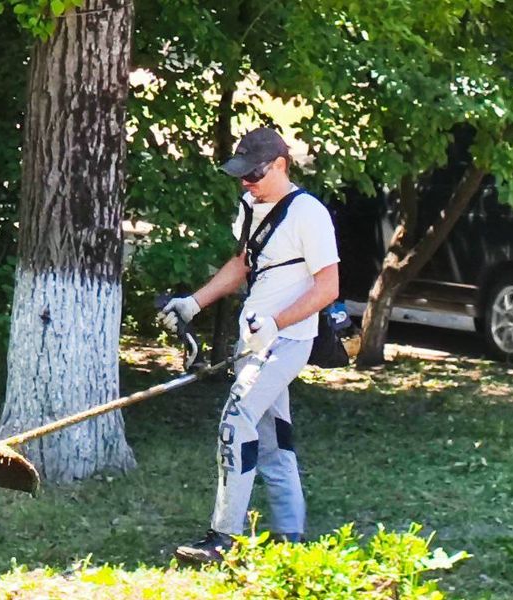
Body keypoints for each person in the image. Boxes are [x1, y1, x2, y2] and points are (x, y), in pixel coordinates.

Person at [158, 127, 340, 564]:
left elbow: (328, 287)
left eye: (254, 175)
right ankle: (291, 537)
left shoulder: (308, 214)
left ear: (281, 165)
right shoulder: (249, 207)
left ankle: (223, 539)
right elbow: (242, 264)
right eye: (241, 176)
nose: (246, 183)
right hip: (254, 340)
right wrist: (192, 304)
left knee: (234, 422)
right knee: (273, 438)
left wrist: (276, 322)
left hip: (288, 339)